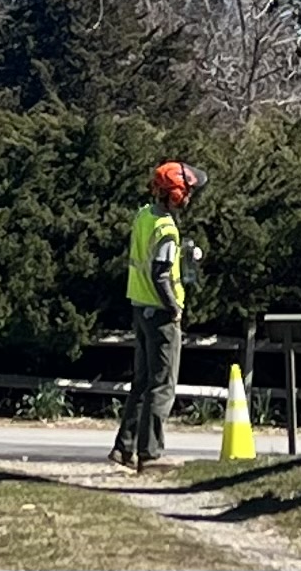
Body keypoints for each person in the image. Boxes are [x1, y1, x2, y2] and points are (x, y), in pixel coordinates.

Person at [112, 161, 203, 469]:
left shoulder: (143, 216)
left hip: (139, 307)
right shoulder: (167, 229)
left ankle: (124, 448)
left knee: (141, 382)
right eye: (188, 192)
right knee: (162, 384)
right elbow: (161, 274)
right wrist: (175, 308)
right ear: (177, 195)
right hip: (161, 315)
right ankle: (149, 454)